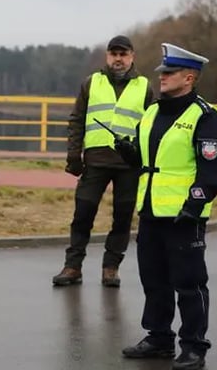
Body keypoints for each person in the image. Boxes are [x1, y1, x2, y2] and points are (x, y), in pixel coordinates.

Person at [116, 43, 217, 370]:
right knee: (154, 280)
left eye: (169, 72)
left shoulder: (205, 116)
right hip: (150, 213)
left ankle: (194, 346)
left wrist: (192, 208)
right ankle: (159, 337)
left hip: (183, 217)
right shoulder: (151, 113)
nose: (161, 78)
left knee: (190, 284)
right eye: (162, 72)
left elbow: (213, 172)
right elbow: (146, 160)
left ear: (189, 77)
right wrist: (128, 152)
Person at [53, 35, 154, 287]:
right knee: (82, 214)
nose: (118, 59)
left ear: (132, 57)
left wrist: (145, 161)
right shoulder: (91, 83)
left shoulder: (145, 87)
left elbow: (152, 127)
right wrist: (73, 155)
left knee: (122, 217)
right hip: (95, 161)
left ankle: (111, 267)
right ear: (107, 56)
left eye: (123, 54)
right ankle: (73, 266)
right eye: (113, 54)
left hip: (129, 164)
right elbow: (76, 120)